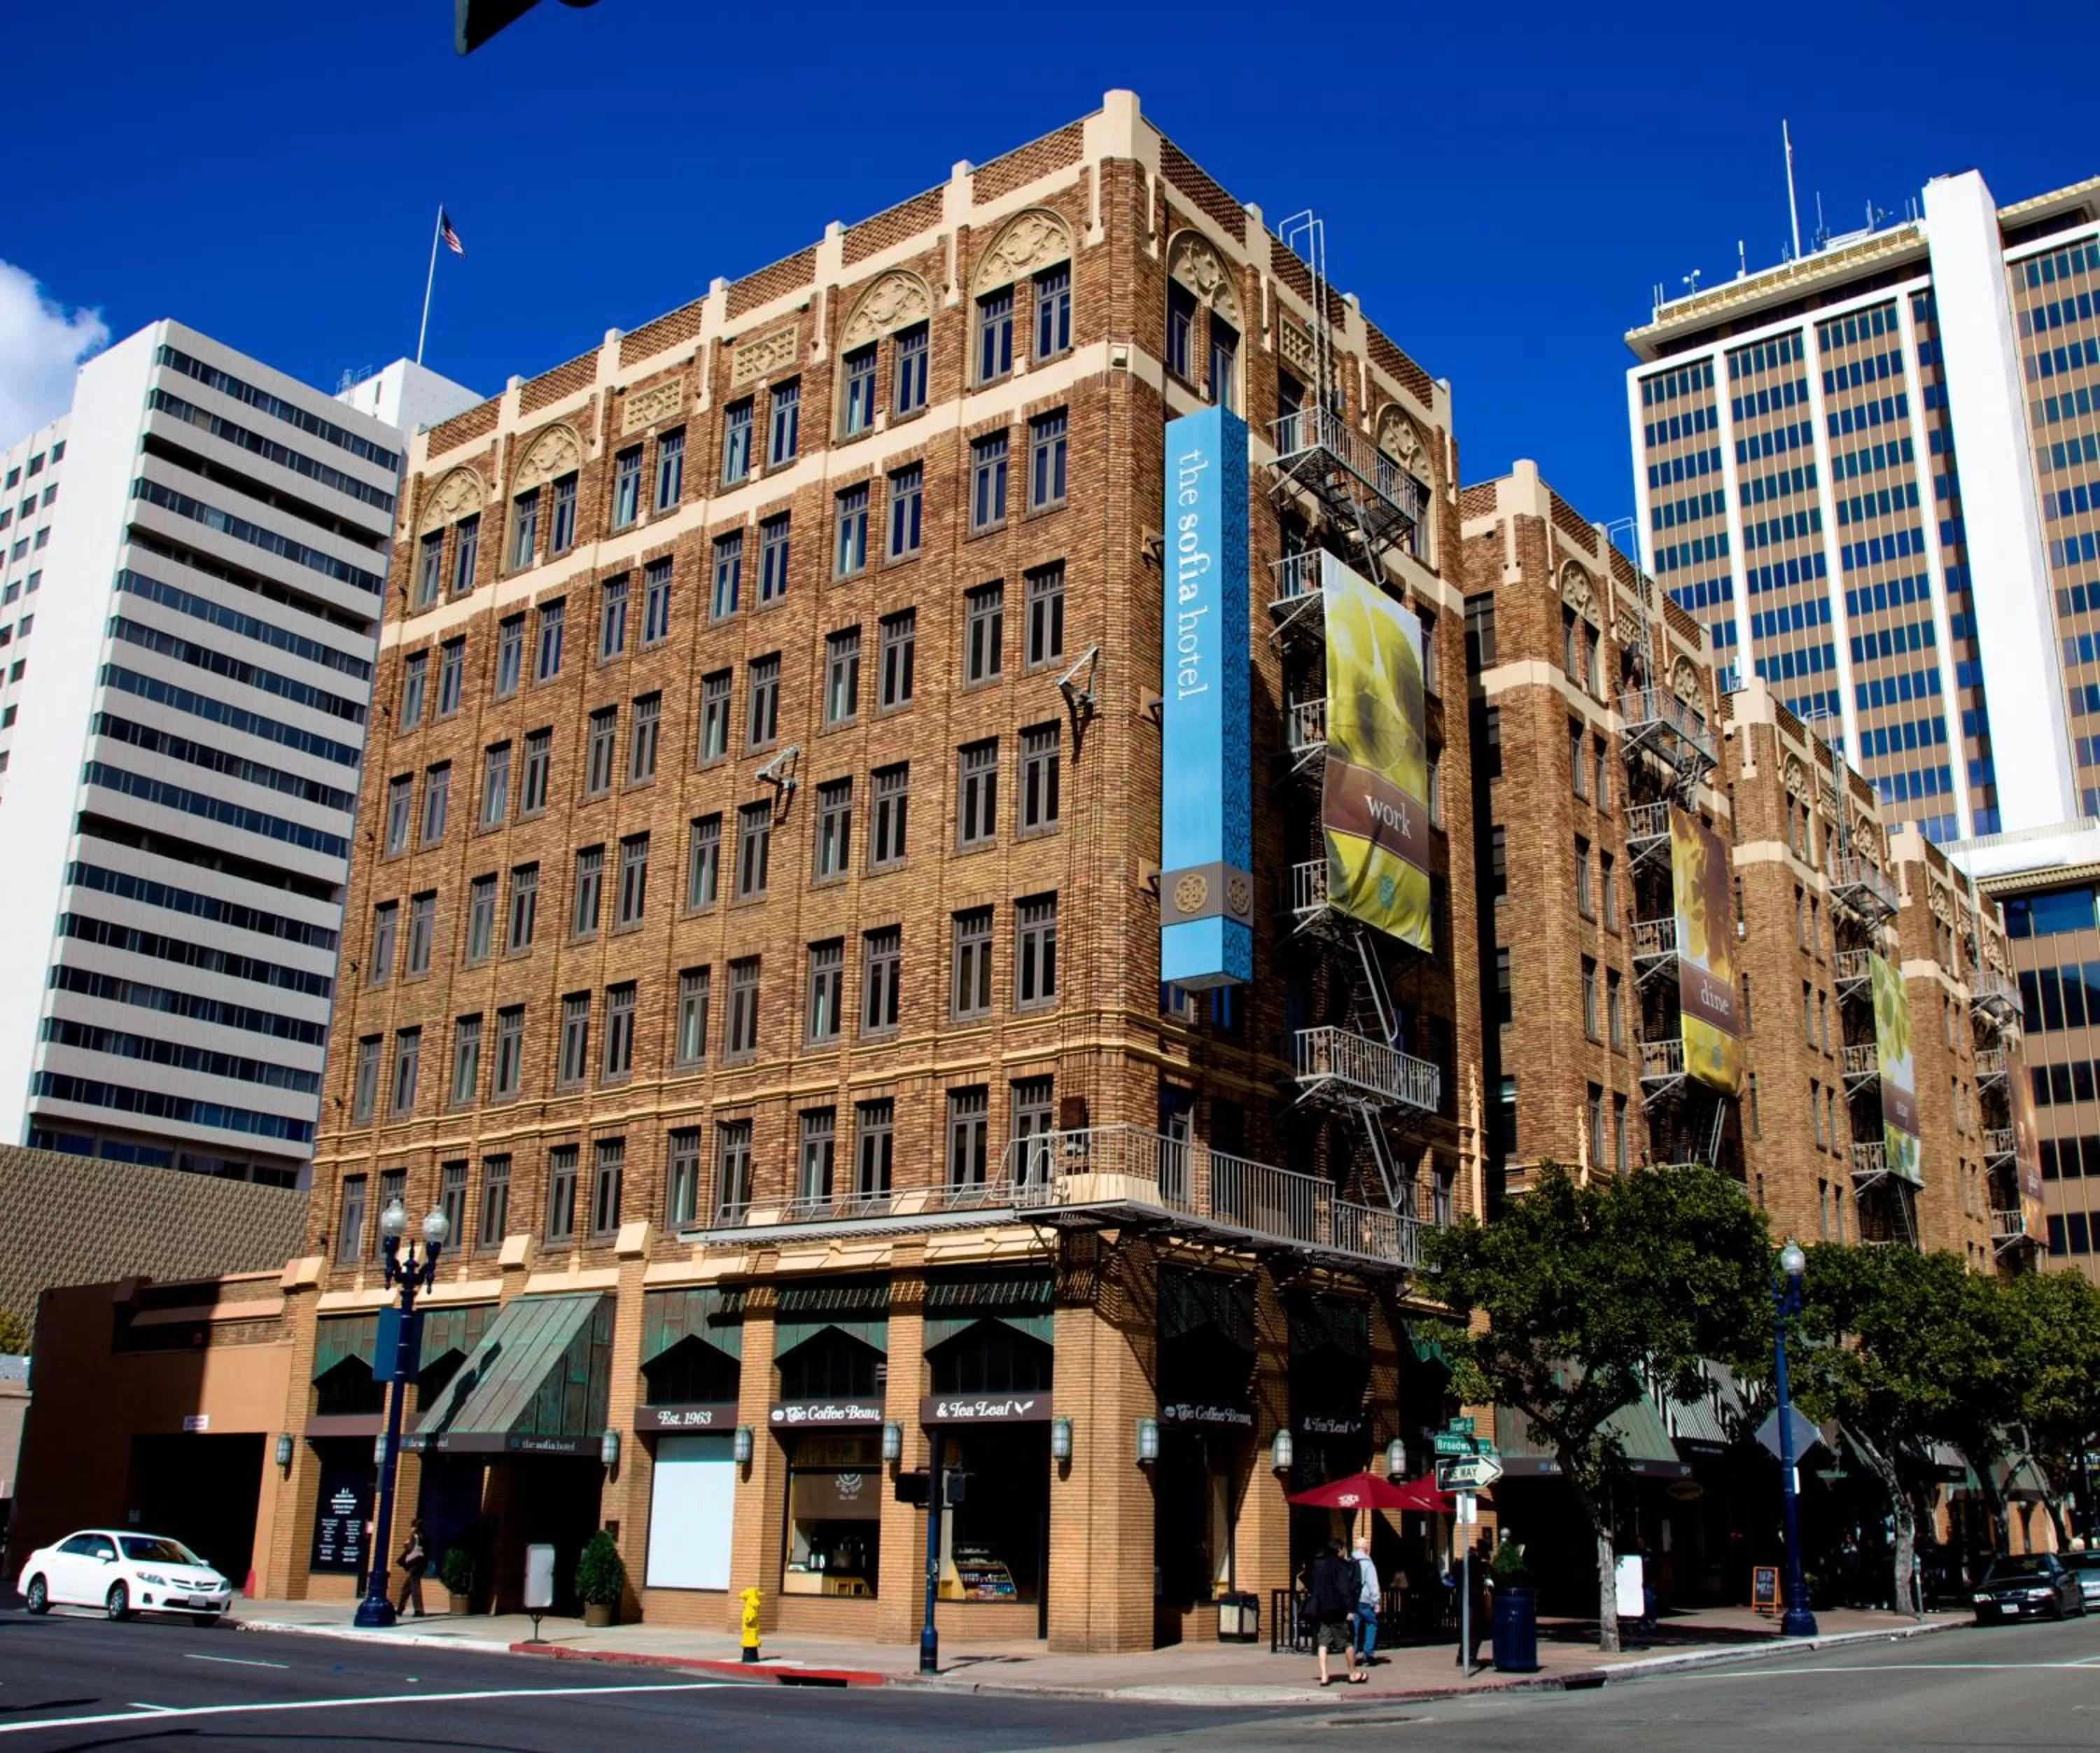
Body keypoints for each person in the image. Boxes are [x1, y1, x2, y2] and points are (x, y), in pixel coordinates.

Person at [1309, 1539, 1366, 1686]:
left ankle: (1324, 1675)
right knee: (1347, 1642)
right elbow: (1344, 1589)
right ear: (1339, 1549)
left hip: (1322, 1609)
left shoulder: (1318, 1564)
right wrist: (1350, 1609)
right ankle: (1353, 1673)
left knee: (1323, 1642)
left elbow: (1312, 1585)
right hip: (1338, 1609)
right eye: (1343, 1549)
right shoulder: (1341, 1566)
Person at [1352, 1534, 1381, 1665]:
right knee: (1372, 1623)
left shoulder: (1350, 1561)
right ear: (1366, 1549)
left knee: (1354, 1627)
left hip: (1353, 1600)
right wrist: (1376, 1601)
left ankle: (1353, 1652)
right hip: (1365, 1599)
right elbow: (1372, 1583)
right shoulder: (1368, 1563)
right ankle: (1368, 1653)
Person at [393, 1516, 428, 1618]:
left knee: (414, 1587)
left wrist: (406, 1544)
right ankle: (400, 1609)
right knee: (407, 1587)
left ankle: (419, 1610)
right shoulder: (422, 1536)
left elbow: (411, 1548)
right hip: (419, 1563)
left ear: (414, 1527)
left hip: (415, 1564)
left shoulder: (415, 1536)